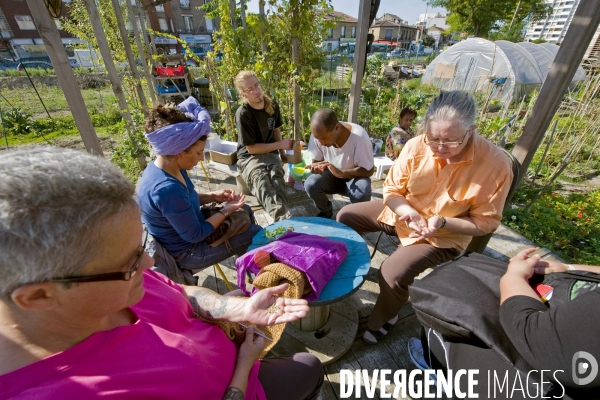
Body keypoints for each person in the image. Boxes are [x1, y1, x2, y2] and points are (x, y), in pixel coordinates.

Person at [0, 147, 323, 399]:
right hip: (237, 377)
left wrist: (236, 308)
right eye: (129, 264)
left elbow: (179, 291)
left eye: (140, 248)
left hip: (226, 352)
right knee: (309, 368)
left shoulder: (106, 278)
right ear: (39, 296)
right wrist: (245, 362)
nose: (149, 264)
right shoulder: (64, 392)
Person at [336, 90, 513, 344]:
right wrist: (408, 212)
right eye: (433, 138)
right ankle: (356, 270)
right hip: (403, 215)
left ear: (471, 130)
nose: (440, 148)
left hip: (442, 235)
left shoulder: (495, 164)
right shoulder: (416, 145)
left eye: (451, 141)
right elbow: (393, 190)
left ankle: (386, 317)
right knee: (346, 216)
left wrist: (442, 222)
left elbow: (486, 222)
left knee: (393, 273)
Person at [411, 248, 600, 399]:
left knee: (448, 313)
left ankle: (439, 369)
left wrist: (514, 277)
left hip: (532, 372)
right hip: (550, 314)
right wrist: (568, 269)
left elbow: (532, 334)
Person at [137, 96, 262, 271]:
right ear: (179, 152)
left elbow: (186, 200)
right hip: (187, 252)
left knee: (246, 210)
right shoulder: (166, 189)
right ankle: (251, 266)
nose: (202, 158)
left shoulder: (168, 166)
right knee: (254, 233)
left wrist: (213, 196)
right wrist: (226, 210)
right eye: (198, 153)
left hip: (191, 230)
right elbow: (196, 235)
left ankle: (246, 263)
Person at [234, 70, 292, 222]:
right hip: (249, 157)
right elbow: (251, 148)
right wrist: (280, 144)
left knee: (277, 180)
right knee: (262, 182)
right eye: (250, 89)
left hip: (271, 152)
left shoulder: (271, 105)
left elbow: (276, 130)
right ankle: (283, 220)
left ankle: (284, 219)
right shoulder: (243, 113)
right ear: (243, 94)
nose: (256, 91)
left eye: (257, 85)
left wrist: (282, 153)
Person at [304, 108, 374, 219]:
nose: (321, 143)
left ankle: (356, 220)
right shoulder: (318, 135)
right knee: (310, 184)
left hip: (354, 177)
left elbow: (369, 170)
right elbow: (317, 162)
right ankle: (326, 212)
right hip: (331, 176)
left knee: (362, 192)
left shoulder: (359, 136)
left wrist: (341, 173)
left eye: (324, 138)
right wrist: (316, 168)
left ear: (337, 127)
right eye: (318, 139)